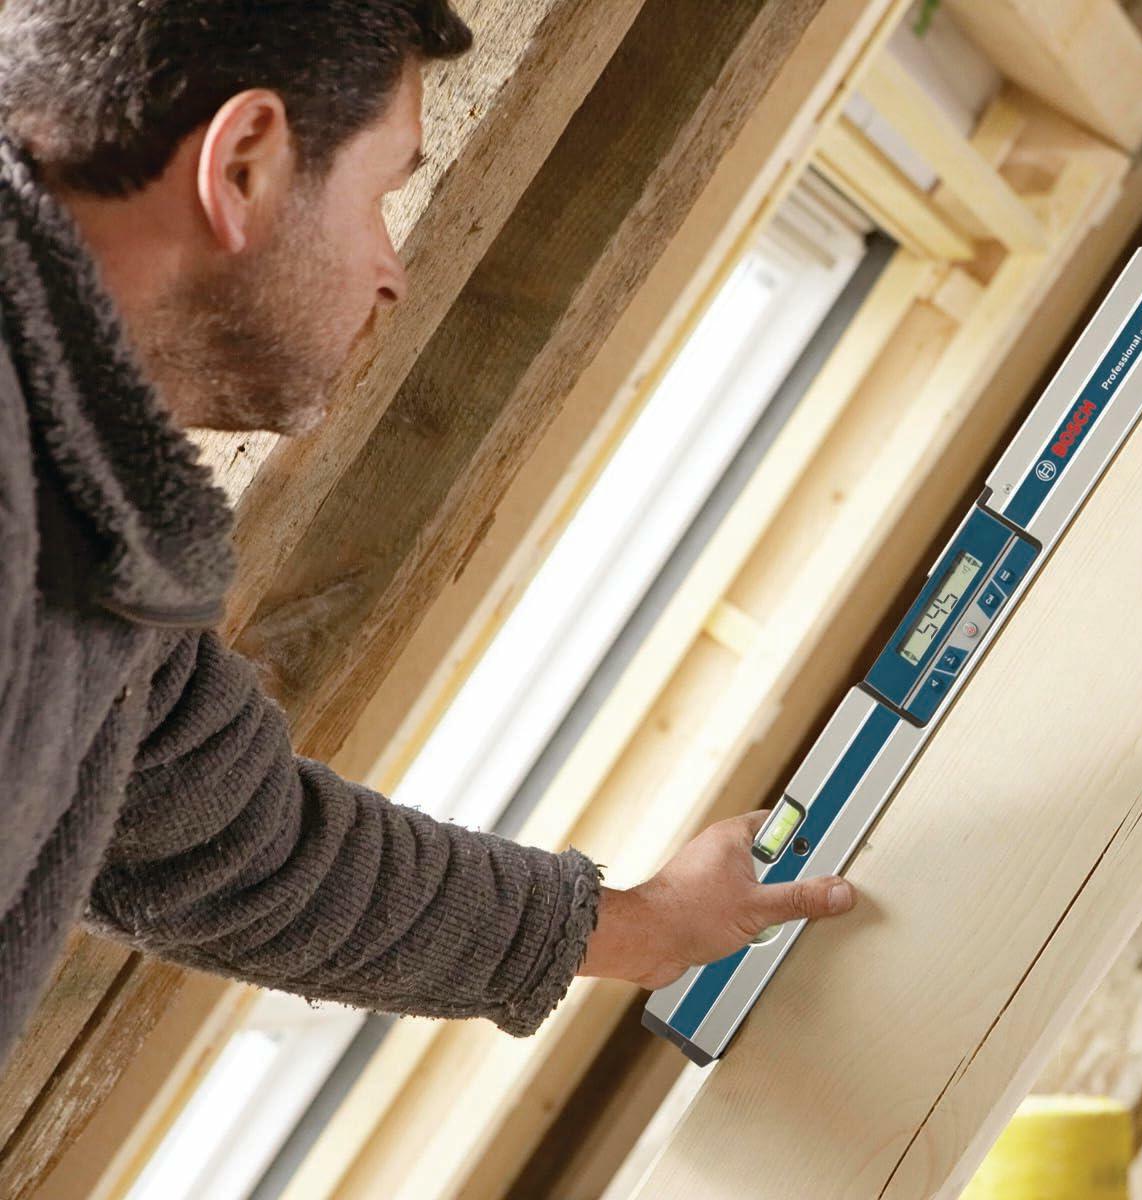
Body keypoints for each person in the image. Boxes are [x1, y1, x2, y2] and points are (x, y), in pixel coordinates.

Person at [0, 0, 855, 1071]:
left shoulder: (90, 542)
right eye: (380, 192)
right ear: (244, 165)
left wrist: (650, 928)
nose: (391, 269)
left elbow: (238, 849)